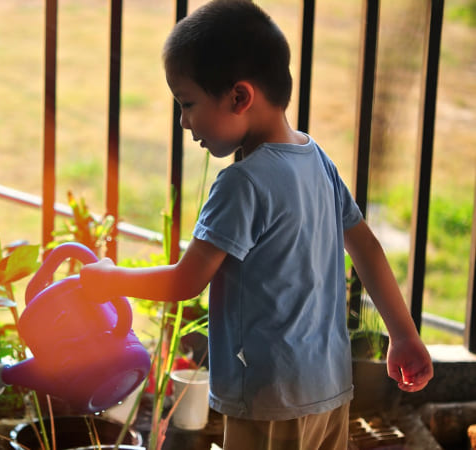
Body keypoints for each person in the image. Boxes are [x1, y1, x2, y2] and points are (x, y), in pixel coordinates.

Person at [79, 1, 433, 448]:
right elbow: (366, 247)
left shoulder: (241, 184)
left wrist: (110, 281)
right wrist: (403, 335)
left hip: (270, 399)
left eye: (188, 104)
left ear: (239, 97)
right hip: (329, 390)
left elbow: (186, 281)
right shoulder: (316, 159)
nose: (185, 122)